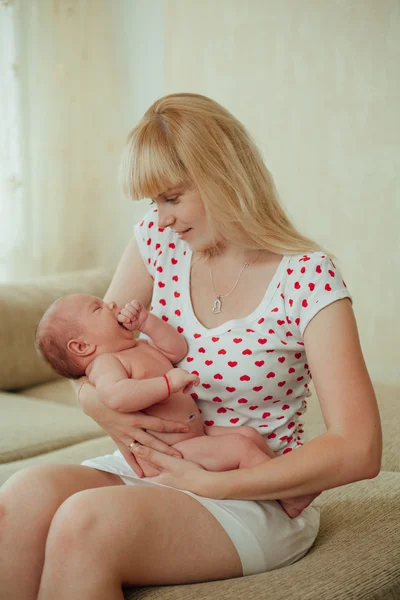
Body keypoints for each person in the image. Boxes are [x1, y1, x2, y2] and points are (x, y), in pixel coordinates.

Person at [0, 93, 381, 598]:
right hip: (164, 466)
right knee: (19, 497)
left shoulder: (307, 277)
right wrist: (102, 405)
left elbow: (360, 448)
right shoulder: (156, 243)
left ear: (225, 177)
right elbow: (87, 364)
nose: (159, 219)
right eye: (152, 202)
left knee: (84, 523)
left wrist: (216, 484)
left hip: (255, 492)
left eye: (172, 198)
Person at [35, 292, 317, 517]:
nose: (110, 302)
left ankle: (275, 478)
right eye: (97, 308)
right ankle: (289, 496)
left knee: (248, 435)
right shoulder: (106, 364)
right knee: (239, 447)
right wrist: (168, 384)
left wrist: (147, 323)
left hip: (192, 437)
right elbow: (116, 396)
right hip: (171, 453)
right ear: (82, 347)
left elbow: (176, 349)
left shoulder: (136, 348)